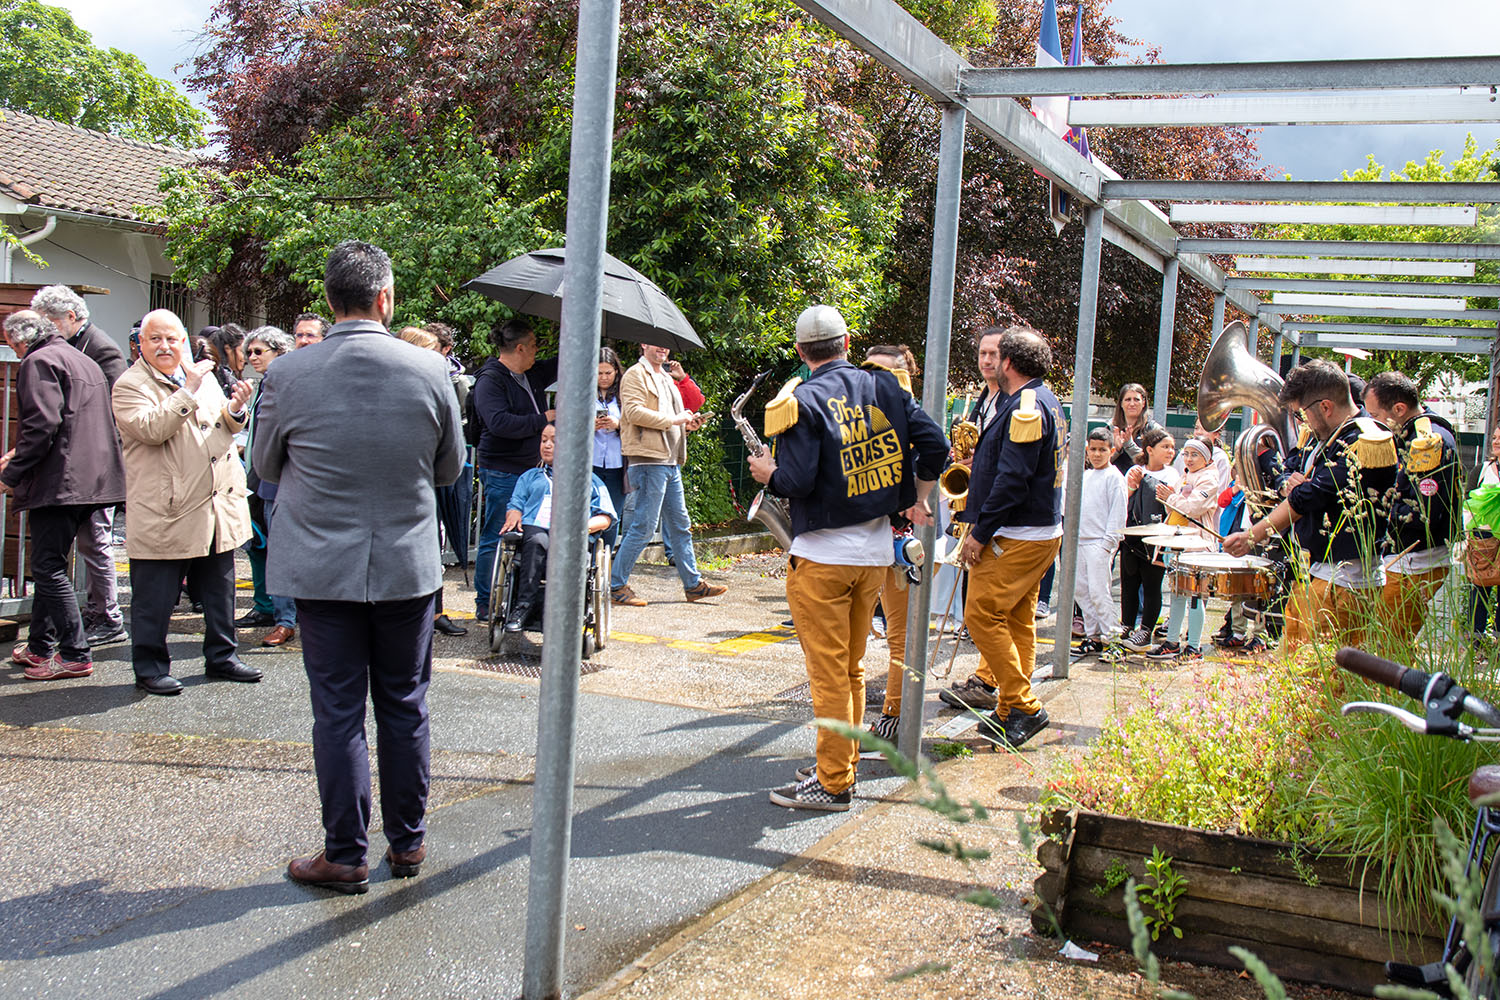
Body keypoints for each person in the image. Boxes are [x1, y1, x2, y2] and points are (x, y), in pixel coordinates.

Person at [253, 240, 464, 893]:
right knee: (405, 703)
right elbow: (451, 469)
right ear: (385, 298)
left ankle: (344, 853)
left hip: (322, 567)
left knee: (338, 711)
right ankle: (408, 843)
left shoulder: (287, 375)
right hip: (405, 563)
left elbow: (263, 466)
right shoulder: (431, 372)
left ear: (329, 300)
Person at [748, 305, 945, 809]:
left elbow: (797, 482)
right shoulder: (887, 388)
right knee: (852, 667)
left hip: (822, 557)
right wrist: (917, 495)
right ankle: (842, 763)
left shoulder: (800, 400)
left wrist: (768, 472)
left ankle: (834, 781)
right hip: (877, 553)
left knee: (829, 673)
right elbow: (936, 446)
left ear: (800, 352)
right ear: (848, 342)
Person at [113, 309, 260, 695]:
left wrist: (236, 410)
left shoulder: (199, 376)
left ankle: (222, 657)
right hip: (168, 507)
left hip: (215, 503)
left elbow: (222, 426)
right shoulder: (130, 385)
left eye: (172, 339)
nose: (165, 346)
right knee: (155, 598)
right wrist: (187, 390)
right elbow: (152, 429)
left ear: (184, 342)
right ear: (141, 344)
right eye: (155, 339)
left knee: (219, 590)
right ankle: (149, 667)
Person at [937, 325, 1064, 749]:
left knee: (981, 616)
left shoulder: (1026, 404)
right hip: (1033, 532)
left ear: (1008, 362)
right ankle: (1010, 711)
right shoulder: (1034, 399)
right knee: (1016, 621)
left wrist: (981, 532)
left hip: (1016, 534)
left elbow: (1013, 479)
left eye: (997, 356)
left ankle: (1024, 706)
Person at [1224, 360, 1397, 651]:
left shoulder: (1364, 438)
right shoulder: (1332, 436)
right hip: (1320, 573)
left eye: (1302, 415)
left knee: (1317, 672)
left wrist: (1252, 535)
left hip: (1344, 582)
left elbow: (1310, 495)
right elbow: (1299, 479)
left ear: (1326, 407)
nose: (1303, 423)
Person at [0, 311, 126, 679]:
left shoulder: (39, 361)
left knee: (47, 566)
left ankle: (74, 652)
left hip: (62, 481)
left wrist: (12, 471)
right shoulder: (80, 359)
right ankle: (40, 646)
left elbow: (42, 424)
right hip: (91, 480)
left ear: (20, 341)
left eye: (11, 346)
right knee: (52, 561)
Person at [30, 284, 128, 647]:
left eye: (50, 323)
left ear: (72, 317)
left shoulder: (99, 347)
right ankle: (63, 624)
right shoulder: (71, 345)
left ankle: (107, 615)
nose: (45, 331)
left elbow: (117, 407)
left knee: (94, 541)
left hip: (96, 464)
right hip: (79, 464)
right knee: (69, 550)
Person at [610, 343, 727, 607]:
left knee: (680, 525)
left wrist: (687, 424)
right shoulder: (634, 375)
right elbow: (633, 412)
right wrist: (674, 420)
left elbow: (670, 421)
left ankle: (693, 585)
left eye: (665, 344)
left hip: (669, 460)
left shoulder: (665, 377)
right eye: (656, 343)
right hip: (649, 460)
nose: (662, 348)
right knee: (643, 527)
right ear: (643, 345)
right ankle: (616, 586)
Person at [1363, 371, 1463, 646]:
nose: (1373, 422)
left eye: (1376, 414)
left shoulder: (1426, 443)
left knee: (1386, 645)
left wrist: (1373, 510)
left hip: (1414, 561)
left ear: (1399, 409)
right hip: (1404, 559)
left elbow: (1421, 514)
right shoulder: (1408, 433)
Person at [472, 319, 557, 620]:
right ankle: (485, 602)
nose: (538, 351)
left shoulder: (530, 374)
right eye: (534, 345)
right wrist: (544, 417)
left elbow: (562, 362)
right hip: (503, 469)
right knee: (499, 532)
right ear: (519, 348)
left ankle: (519, 597)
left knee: (531, 533)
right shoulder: (491, 380)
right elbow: (500, 423)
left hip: (531, 470)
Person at [861, 343, 925, 740]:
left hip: (902, 542)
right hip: (874, 540)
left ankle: (895, 716)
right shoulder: (870, 415)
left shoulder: (909, 418)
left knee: (901, 634)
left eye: (885, 373)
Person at [500, 424, 616, 633]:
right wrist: (515, 512)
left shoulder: (587, 480)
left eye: (553, 440)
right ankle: (523, 607)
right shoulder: (530, 477)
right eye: (544, 440)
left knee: (565, 545)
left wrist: (580, 526)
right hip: (536, 529)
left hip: (570, 534)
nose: (547, 445)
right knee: (536, 542)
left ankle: (564, 613)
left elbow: (606, 517)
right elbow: (515, 503)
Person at [404, 324, 470, 637]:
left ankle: (435, 613)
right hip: (406, 486)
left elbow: (454, 441)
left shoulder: (443, 385)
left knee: (434, 547)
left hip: (434, 481)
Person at [239, 325, 298, 646]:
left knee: (283, 554)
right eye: (249, 352)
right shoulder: (262, 385)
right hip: (262, 482)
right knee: (266, 550)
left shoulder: (289, 383)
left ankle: (286, 620)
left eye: (259, 351)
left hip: (284, 482)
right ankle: (282, 616)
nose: (251, 358)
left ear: (279, 352)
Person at [1146, 438, 1220, 661]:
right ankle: (1172, 642)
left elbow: (1193, 508)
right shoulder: (1185, 476)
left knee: (1195, 597)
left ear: (1206, 458)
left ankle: (1194, 646)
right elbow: (1176, 506)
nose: (1188, 458)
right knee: (1176, 594)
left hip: (1197, 545)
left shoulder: (1209, 479)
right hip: (1176, 543)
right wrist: (1168, 498)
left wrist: (1171, 497)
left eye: (1194, 454)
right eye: (1186, 454)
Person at [1119, 427, 1179, 651]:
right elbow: (1125, 497)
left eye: (1172, 447)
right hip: (1132, 537)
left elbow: (1171, 502)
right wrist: (1134, 486)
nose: (1170, 451)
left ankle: (1146, 629)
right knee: (1129, 584)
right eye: (1165, 447)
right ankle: (1126, 625)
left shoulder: (1172, 474)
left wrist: (1147, 481)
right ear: (1150, 449)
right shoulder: (1134, 469)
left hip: (1156, 539)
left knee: (1152, 585)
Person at [1074, 427, 1126, 655]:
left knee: (1099, 591)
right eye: (1093, 449)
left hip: (1099, 541)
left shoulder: (1115, 477)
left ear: (1111, 451)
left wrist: (1109, 543)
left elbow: (1118, 512)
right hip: (1081, 540)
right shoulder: (1085, 476)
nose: (1096, 454)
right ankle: (1093, 635)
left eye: (1102, 450)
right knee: (1081, 591)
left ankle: (1113, 638)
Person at [593, 347, 626, 549]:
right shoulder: (585, 393)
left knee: (613, 513)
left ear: (616, 372)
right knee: (590, 511)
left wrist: (618, 424)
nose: (604, 378)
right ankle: (587, 560)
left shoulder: (624, 395)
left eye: (608, 373)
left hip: (617, 464)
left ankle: (606, 557)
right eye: (599, 373)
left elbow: (635, 423)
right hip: (591, 462)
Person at [1471, 425, 1500, 640]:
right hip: (1483, 538)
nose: (1496, 442)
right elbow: (1467, 504)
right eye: (1495, 437)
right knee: (1479, 589)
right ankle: (1476, 641)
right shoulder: (1481, 470)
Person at [1109, 382, 1161, 476]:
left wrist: (1129, 445)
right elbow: (1097, 462)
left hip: (1142, 485)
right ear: (1121, 403)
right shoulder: (1110, 429)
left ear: (1143, 403)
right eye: (1128, 400)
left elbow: (1157, 462)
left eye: (1136, 400)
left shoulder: (1154, 430)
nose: (1132, 404)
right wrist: (1116, 450)